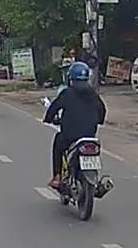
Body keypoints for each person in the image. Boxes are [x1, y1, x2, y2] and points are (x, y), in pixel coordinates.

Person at [42, 61, 106, 189]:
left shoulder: (67, 93)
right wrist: (99, 121)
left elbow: (53, 108)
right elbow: (103, 110)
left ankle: (57, 177)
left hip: (69, 137)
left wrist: (48, 119)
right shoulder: (93, 94)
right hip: (90, 137)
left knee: (58, 142)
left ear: (71, 78)